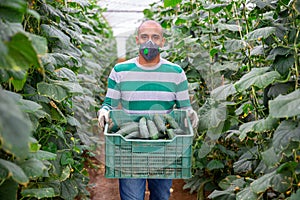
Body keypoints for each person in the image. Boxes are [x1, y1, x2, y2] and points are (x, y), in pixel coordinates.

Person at [97, 20, 199, 200]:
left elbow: (185, 108)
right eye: (144, 36)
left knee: (161, 196)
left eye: (155, 37)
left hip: (164, 148)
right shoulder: (120, 70)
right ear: (137, 40)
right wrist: (104, 111)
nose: (149, 42)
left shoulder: (176, 73)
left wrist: (190, 114)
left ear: (163, 42)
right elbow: (109, 104)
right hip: (129, 148)